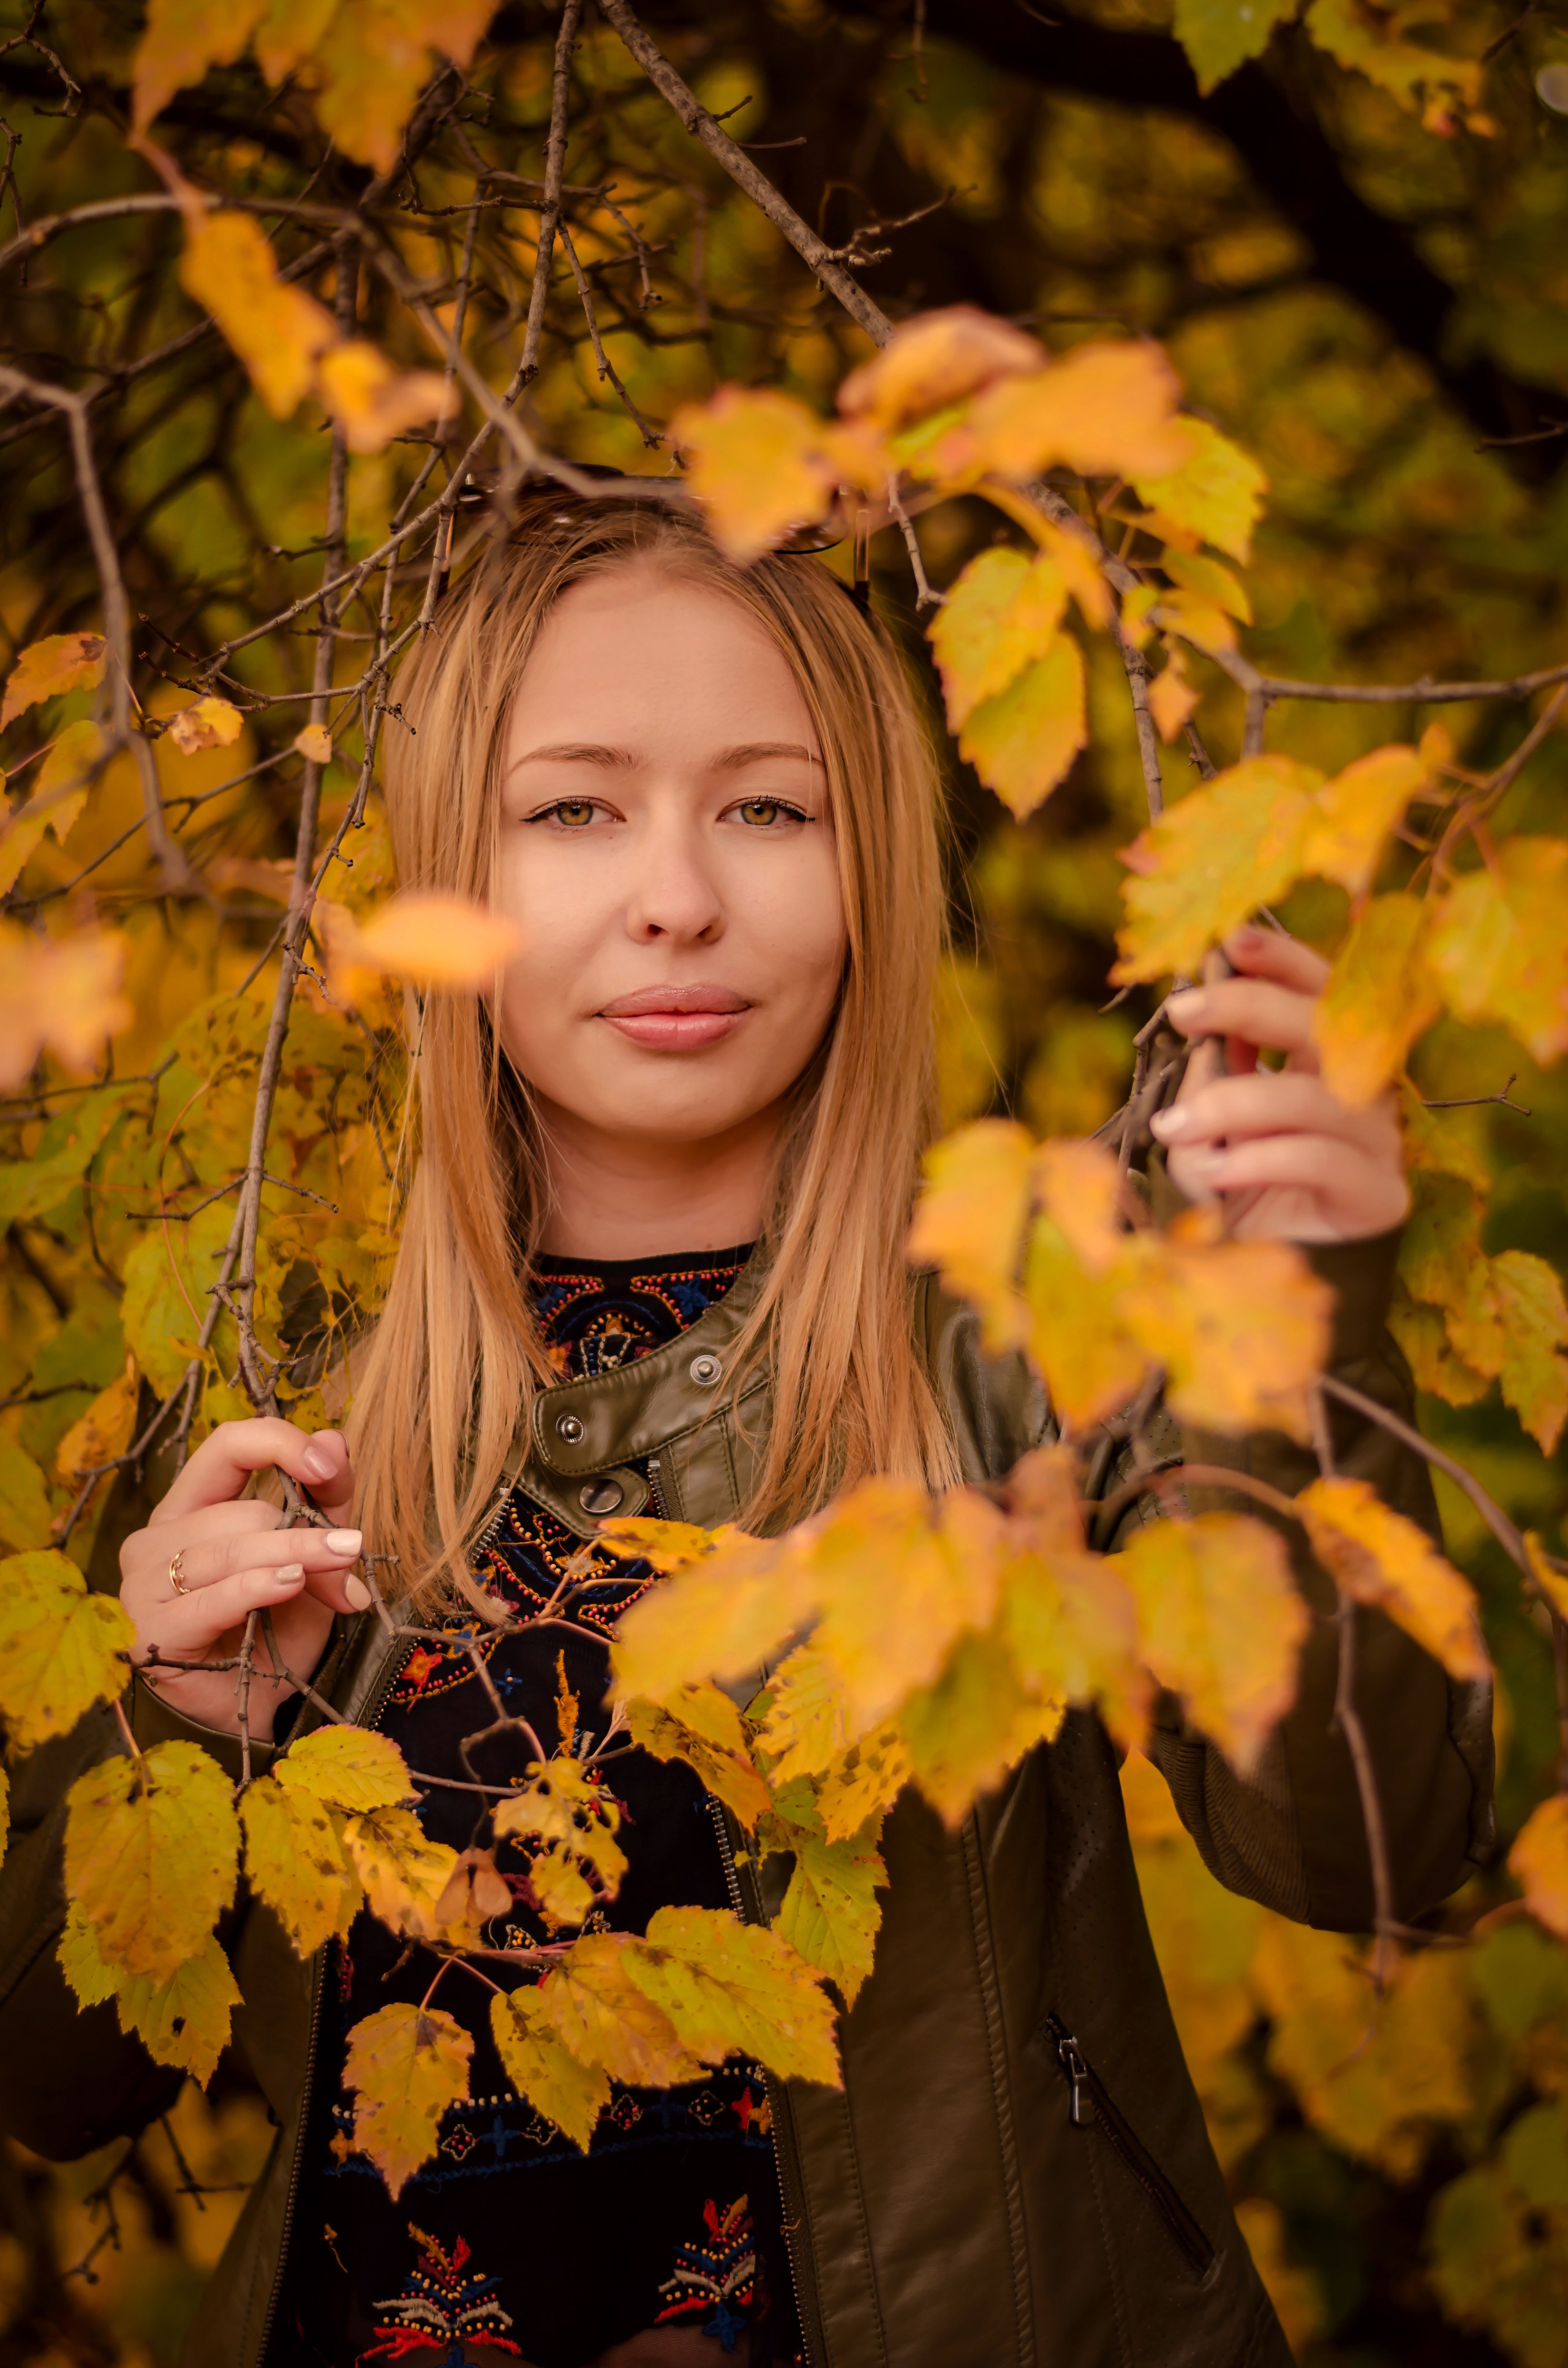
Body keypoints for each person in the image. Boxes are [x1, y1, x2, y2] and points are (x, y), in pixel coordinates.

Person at [0, 496, 1492, 2368]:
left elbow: (1370, 1843)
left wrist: (1299, 1339)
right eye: (575, 808)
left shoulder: (1036, 1348)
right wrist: (172, 1719)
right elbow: (51, 2087)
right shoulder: (276, 1407)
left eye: (768, 805)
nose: (678, 893)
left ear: (870, 853)